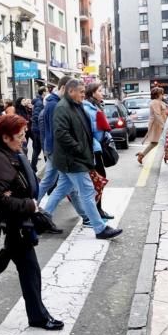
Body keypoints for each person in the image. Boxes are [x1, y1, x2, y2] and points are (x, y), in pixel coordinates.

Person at [0, 114, 63, 330]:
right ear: (6, 137)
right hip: (9, 229)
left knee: (29, 271)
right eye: (20, 135)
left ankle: (38, 315)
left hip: (18, 227)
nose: (24, 138)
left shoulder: (12, 153)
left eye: (24, 133)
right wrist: (28, 205)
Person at [40, 80, 123, 240]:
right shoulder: (63, 108)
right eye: (81, 92)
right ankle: (100, 228)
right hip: (72, 159)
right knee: (87, 191)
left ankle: (45, 218)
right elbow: (61, 134)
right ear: (71, 91)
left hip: (72, 158)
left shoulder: (75, 106)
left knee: (62, 189)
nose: (84, 95)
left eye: (84, 92)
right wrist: (79, 149)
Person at [37, 77, 87, 223]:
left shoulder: (53, 103)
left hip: (53, 149)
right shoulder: (54, 104)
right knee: (65, 184)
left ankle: (39, 211)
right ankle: (37, 210)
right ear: (65, 88)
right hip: (56, 150)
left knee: (61, 183)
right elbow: (58, 131)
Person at [84, 83, 114, 220]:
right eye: (100, 91)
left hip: (97, 146)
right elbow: (89, 132)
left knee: (96, 180)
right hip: (93, 148)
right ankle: (96, 211)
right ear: (92, 93)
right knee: (98, 179)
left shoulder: (95, 106)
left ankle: (95, 210)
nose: (102, 93)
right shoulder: (88, 108)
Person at [137, 87, 168, 165]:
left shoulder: (160, 102)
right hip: (156, 125)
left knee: (156, 142)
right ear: (157, 94)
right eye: (161, 93)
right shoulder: (155, 102)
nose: (162, 95)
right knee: (160, 141)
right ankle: (167, 155)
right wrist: (163, 125)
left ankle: (142, 155)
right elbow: (157, 114)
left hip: (160, 124)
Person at [30, 87, 46, 172]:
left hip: (36, 129)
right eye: (46, 91)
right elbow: (36, 116)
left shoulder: (38, 102)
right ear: (43, 93)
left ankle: (33, 166)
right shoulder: (40, 103)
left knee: (37, 149)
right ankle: (34, 167)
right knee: (42, 149)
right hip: (38, 130)